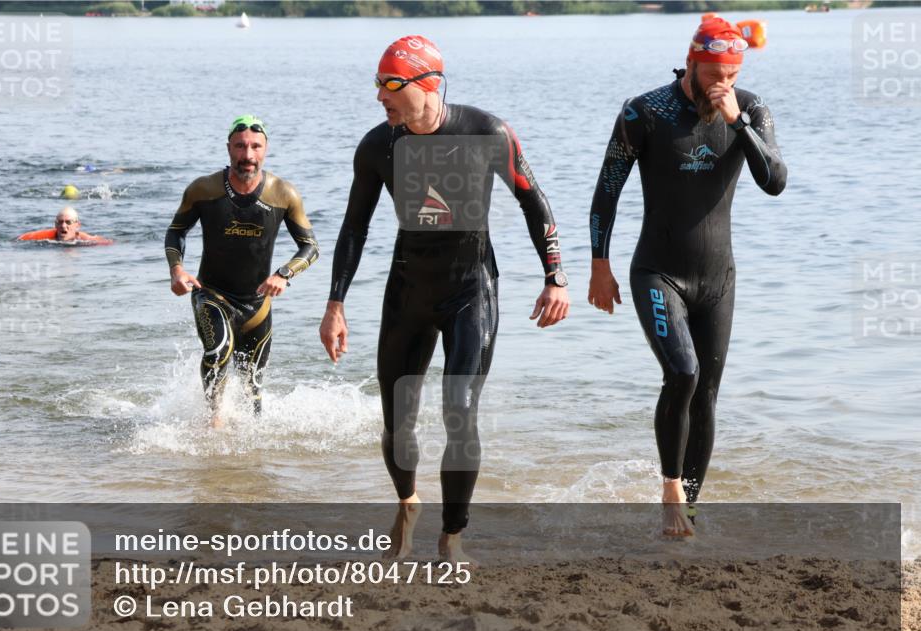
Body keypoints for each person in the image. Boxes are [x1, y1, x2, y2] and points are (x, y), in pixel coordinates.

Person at [319, 35, 570, 563]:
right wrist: (335, 304)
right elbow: (353, 229)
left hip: (470, 290)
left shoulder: (486, 131)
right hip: (408, 292)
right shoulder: (377, 146)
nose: (380, 97)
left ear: (427, 84)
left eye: (391, 84)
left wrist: (556, 277)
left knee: (459, 409)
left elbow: (533, 199)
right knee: (397, 421)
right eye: (377, 84)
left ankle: (452, 535)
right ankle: (408, 502)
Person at [586, 17, 787, 536]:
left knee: (707, 394)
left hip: (719, 279)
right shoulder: (645, 111)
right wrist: (599, 265)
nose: (721, 83)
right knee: (682, 373)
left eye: (731, 73)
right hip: (658, 271)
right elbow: (608, 189)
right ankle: (671, 485)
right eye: (712, 73)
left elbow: (776, 183)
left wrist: (737, 121)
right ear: (692, 62)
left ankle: (689, 512)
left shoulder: (752, 107)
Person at [165, 115, 319, 427]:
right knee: (218, 351)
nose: (247, 155)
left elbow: (310, 247)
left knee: (253, 394)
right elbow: (176, 232)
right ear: (228, 149)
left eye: (255, 147)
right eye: (240, 146)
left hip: (257, 305)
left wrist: (284, 275)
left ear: (265, 150)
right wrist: (177, 270)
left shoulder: (284, 194)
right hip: (211, 294)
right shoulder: (203, 189)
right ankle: (213, 423)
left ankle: (251, 460)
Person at [16, 207, 113, 245]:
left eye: (68, 222)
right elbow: (19, 240)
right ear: (55, 224)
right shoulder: (45, 238)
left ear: (77, 225)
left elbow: (108, 243)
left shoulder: (86, 240)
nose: (63, 226)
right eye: (60, 222)